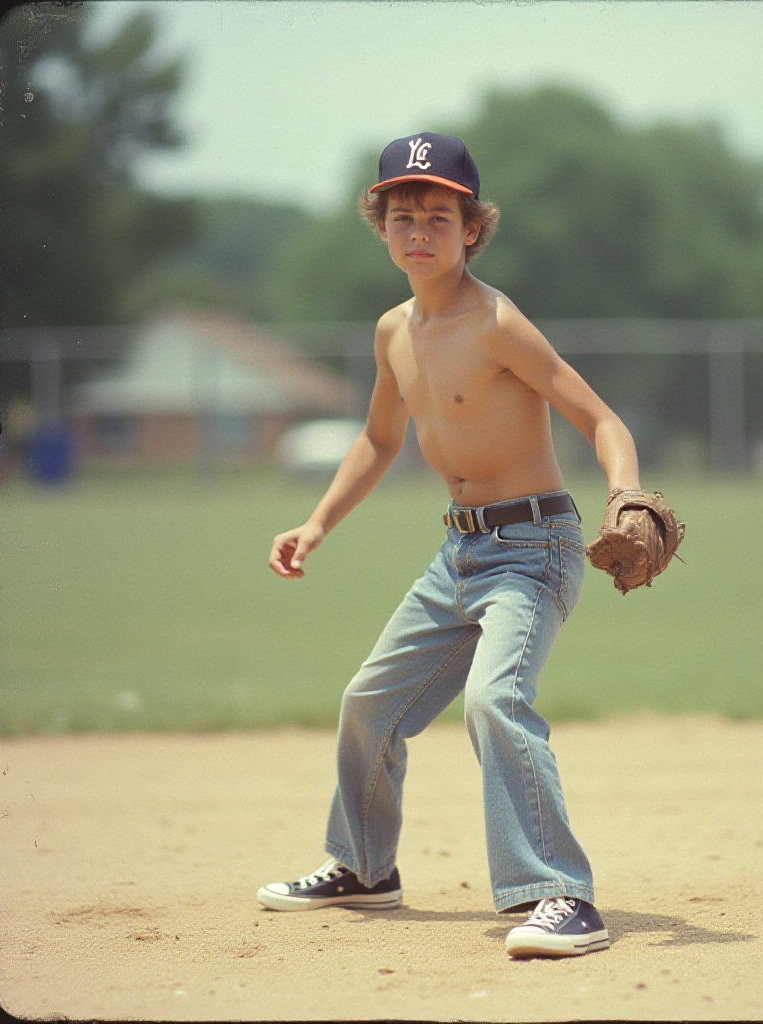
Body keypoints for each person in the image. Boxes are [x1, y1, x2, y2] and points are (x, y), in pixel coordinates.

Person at [258, 132, 641, 958]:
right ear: (383, 229)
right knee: (369, 703)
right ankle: (364, 870)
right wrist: (316, 523)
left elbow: (601, 419)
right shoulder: (393, 330)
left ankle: (562, 896)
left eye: (440, 214)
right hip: (458, 555)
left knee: (493, 699)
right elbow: (376, 439)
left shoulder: (497, 322)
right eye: (403, 215)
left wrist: (625, 495)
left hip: (535, 545)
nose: (420, 229)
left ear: (473, 229)